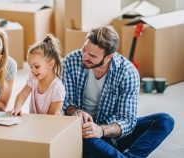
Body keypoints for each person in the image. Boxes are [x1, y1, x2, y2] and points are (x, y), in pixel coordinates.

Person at [61, 26, 174, 158]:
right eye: (84, 48)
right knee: (84, 137)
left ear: (109, 57)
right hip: (84, 133)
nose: (84, 56)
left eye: (92, 55)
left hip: (111, 132)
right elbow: (66, 102)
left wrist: (101, 130)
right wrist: (76, 111)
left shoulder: (127, 72)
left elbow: (128, 120)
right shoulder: (70, 61)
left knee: (165, 120)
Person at [10, 34, 65, 115]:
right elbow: (23, 93)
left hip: (51, 124)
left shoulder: (57, 87)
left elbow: (52, 117)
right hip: (36, 121)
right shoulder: (33, 77)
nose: (33, 70)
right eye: (31, 67)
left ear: (51, 64)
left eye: (36, 66)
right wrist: (17, 108)